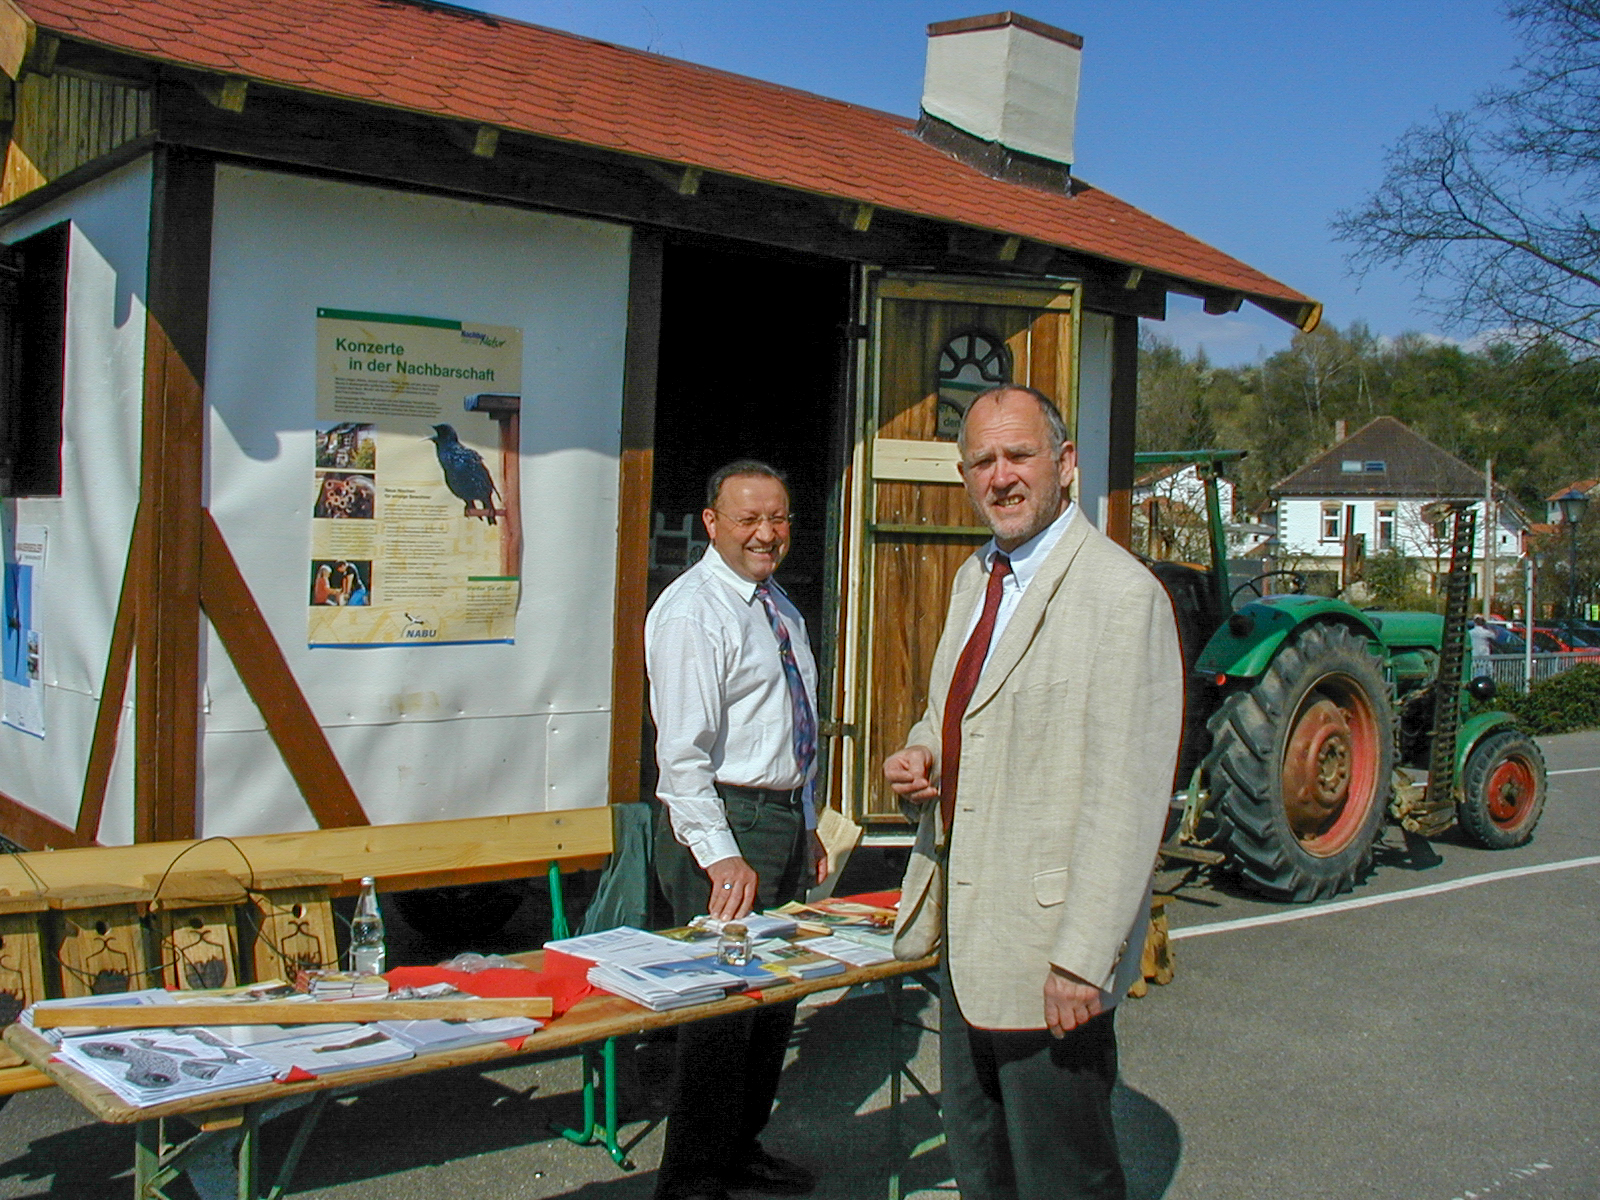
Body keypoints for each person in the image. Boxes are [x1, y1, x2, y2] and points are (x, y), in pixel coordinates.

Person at [883, 386, 1183, 1200]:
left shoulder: (1122, 598)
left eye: (1019, 455)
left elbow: (1128, 801)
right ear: (963, 474)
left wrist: (1082, 961)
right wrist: (921, 753)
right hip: (970, 942)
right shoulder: (975, 577)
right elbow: (958, 712)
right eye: (982, 461)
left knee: (1066, 1179)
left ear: (1066, 464)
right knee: (985, 1167)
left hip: (1052, 960)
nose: (1001, 476)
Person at [645, 459, 829, 1200]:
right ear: (712, 524)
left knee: (774, 1001)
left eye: (778, 518)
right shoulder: (693, 612)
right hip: (724, 822)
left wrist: (808, 823)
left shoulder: (777, 606)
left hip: (778, 819)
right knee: (720, 1017)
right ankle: (690, 1183)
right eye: (749, 519)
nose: (767, 533)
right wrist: (722, 858)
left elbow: (793, 730)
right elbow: (681, 759)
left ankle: (739, 1153)